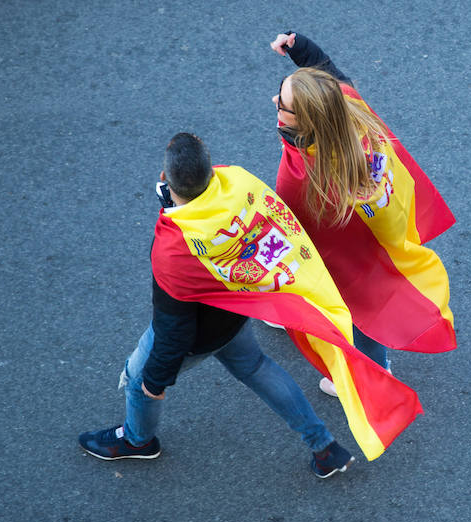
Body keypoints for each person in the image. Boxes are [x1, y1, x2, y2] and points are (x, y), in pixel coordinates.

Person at [78, 133, 357, 478]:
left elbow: (172, 330)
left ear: (165, 179)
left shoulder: (174, 248)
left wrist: (155, 381)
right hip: (235, 313)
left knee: (137, 381)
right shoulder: (237, 182)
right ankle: (325, 447)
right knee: (256, 368)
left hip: (200, 332)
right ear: (212, 171)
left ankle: (138, 442)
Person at [268, 31, 457, 398]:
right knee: (370, 301)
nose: (275, 100)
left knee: (358, 310)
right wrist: (300, 48)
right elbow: (328, 73)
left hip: (346, 260)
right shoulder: (349, 109)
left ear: (306, 122)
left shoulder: (305, 180)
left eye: (284, 105)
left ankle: (373, 365)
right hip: (378, 236)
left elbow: (290, 234)